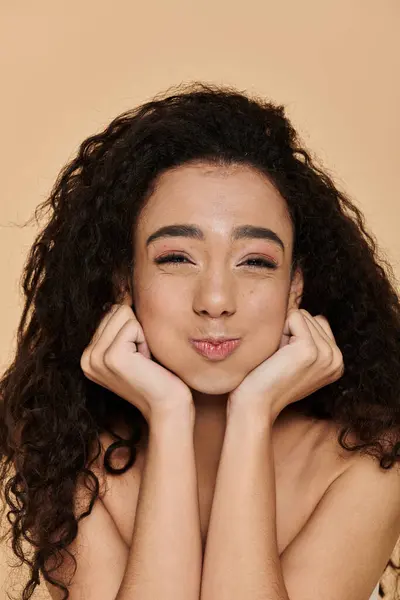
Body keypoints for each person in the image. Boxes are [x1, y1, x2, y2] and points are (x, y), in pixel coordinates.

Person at [0, 81, 399, 600]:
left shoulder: (371, 458)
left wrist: (252, 413)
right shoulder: (62, 456)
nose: (215, 299)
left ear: (294, 287)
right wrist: (169, 414)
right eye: (176, 258)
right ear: (125, 282)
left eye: (255, 261)